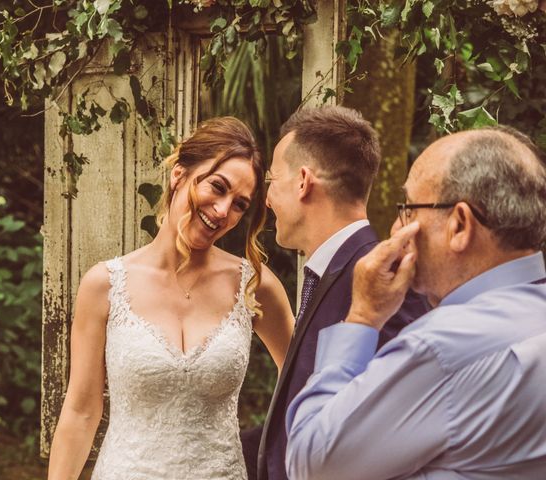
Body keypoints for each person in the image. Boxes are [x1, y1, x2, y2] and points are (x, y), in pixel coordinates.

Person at [285, 126, 546, 479]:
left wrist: (362, 317)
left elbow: (311, 463)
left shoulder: (443, 347)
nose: (395, 227)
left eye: (408, 209)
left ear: (459, 225)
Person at [47, 117, 295, 480]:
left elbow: (305, 385)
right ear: (179, 174)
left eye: (240, 204)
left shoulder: (254, 285)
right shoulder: (104, 285)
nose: (224, 211)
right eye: (217, 187)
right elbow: (82, 411)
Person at [253, 106, 429, 480]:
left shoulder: (385, 283)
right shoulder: (327, 273)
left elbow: (389, 434)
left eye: (272, 179)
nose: (266, 199)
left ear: (303, 181)